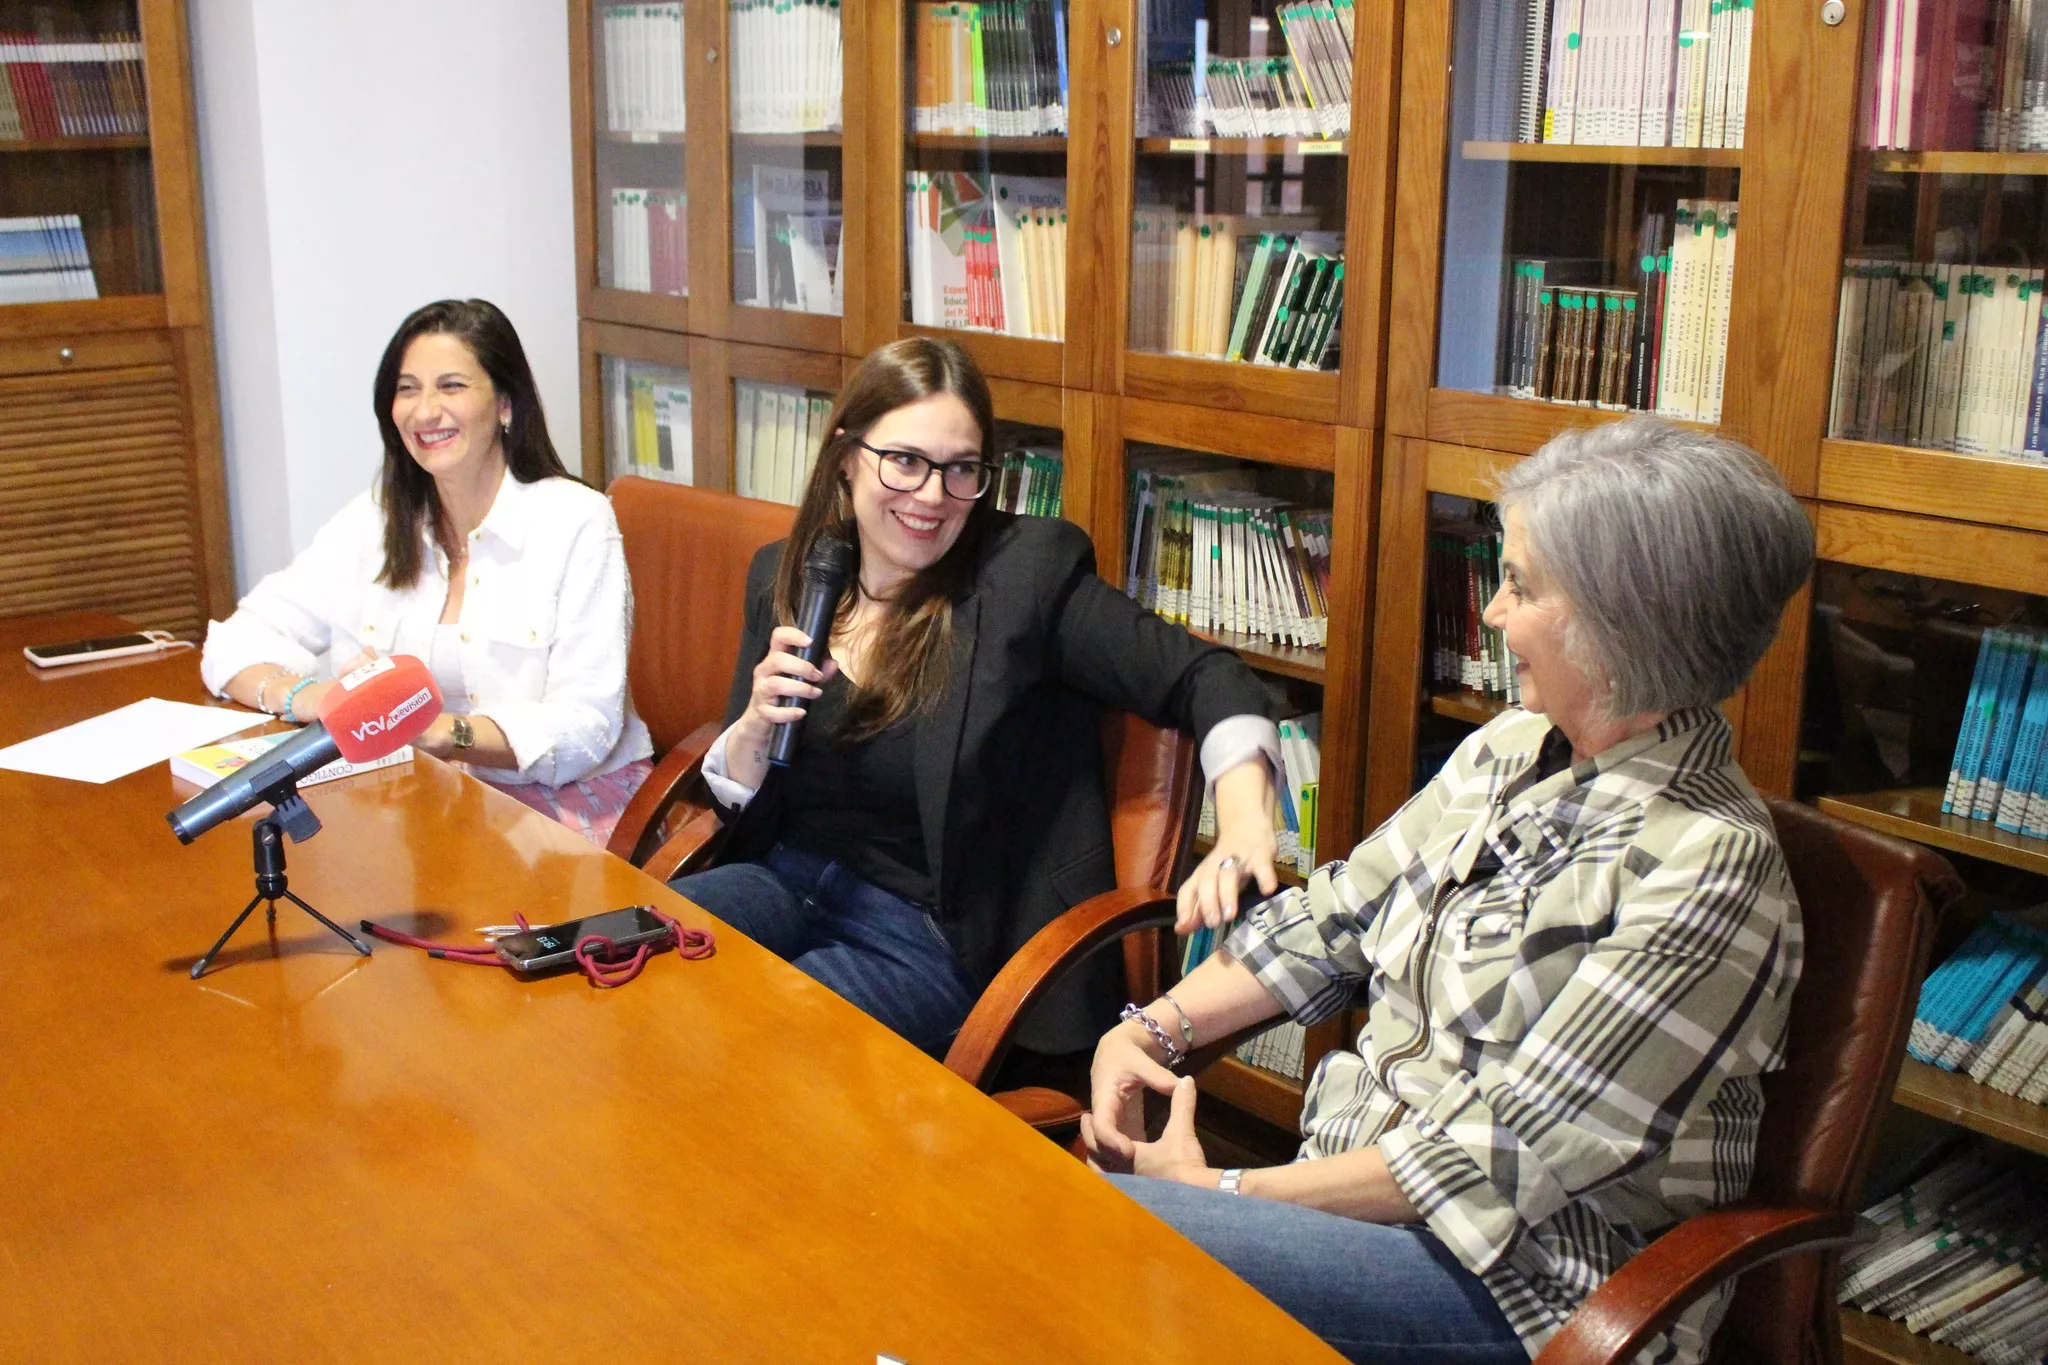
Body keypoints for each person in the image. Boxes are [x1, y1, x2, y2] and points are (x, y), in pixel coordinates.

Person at [1083, 417, 1816, 1365]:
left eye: (1521, 585)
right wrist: (1150, 1028)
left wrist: (1217, 1197)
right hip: (1358, 1210)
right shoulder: (1506, 748)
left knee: (1110, 1243)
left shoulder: (1710, 866)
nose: (1495, 615)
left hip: (1530, 1282)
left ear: (1619, 625)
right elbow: (1331, 921)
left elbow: (1494, 1153)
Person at [669, 336, 1281, 1056]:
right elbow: (748, 803)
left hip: (930, 937)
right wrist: (747, 731)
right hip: (784, 880)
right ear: (845, 456)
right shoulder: (793, 572)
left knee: (763, 1040)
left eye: (961, 469)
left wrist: (1244, 825)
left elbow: (1207, 676)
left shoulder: (1025, 577)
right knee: (647, 963)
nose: (932, 496)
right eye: (904, 461)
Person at [200, 299, 652, 847]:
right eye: (407, 389)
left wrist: (440, 733)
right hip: (422, 803)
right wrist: (313, 698)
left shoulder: (574, 520)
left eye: (452, 387)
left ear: (505, 404)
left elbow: (587, 727)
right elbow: (233, 643)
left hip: (558, 810)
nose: (424, 411)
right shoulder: (380, 517)